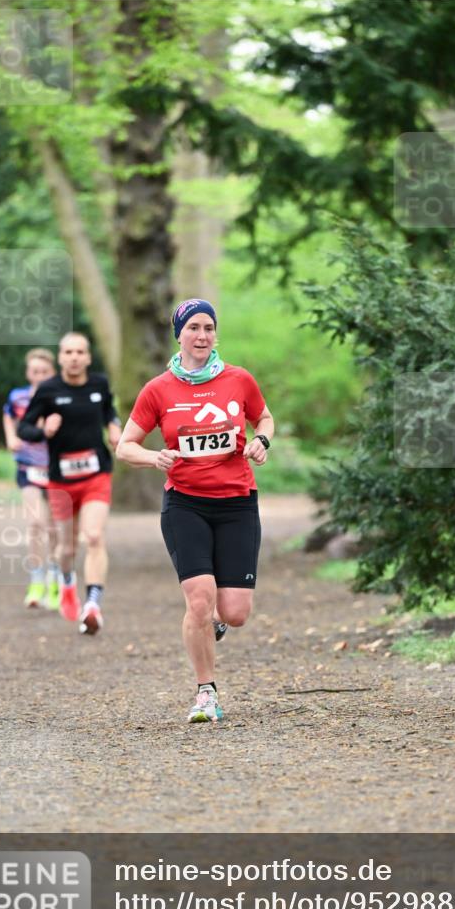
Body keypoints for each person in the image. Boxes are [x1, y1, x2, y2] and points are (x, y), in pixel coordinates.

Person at [116, 298, 274, 723]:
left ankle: (217, 623)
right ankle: (206, 692)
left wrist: (262, 441)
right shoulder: (158, 389)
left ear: (215, 334)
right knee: (199, 602)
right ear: (179, 334)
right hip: (185, 505)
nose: (202, 336)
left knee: (235, 613)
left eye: (208, 328)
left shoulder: (239, 380)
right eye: (193, 328)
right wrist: (154, 458)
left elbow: (264, 419)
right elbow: (124, 445)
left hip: (238, 502)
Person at [17, 332, 122, 635]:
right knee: (66, 547)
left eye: (80, 352)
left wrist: (114, 429)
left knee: (93, 536)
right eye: (68, 352)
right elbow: (25, 427)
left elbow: (108, 412)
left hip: (96, 475)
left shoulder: (99, 384)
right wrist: (43, 431)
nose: (74, 357)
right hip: (61, 480)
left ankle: (92, 604)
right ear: (60, 358)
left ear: (88, 357)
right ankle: (66, 584)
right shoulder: (48, 390)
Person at [2, 348, 59, 609]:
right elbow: (8, 414)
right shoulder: (18, 396)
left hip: (56, 468)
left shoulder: (59, 396)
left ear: (52, 373)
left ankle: (56, 578)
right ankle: (36, 581)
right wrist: (11, 437)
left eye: (44, 372)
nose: (39, 376)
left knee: (53, 527)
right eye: (35, 372)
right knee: (35, 523)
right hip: (28, 466)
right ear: (28, 373)